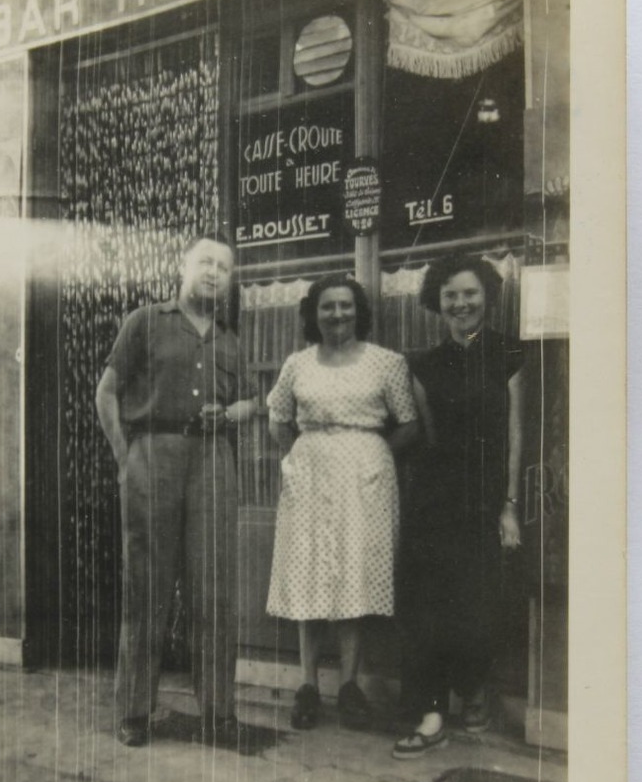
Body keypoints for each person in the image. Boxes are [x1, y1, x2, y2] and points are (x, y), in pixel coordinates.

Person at [95, 232, 256, 748]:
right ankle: (136, 711)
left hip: (214, 460)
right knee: (148, 589)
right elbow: (106, 394)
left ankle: (219, 714)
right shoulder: (145, 321)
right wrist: (126, 459)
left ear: (229, 281)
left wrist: (235, 411)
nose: (213, 273)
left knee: (215, 590)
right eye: (205, 262)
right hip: (153, 456)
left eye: (223, 268)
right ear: (183, 267)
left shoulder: (231, 339)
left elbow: (252, 402)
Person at [266, 273, 418, 731]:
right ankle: (308, 685)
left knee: (354, 573)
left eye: (346, 306)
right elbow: (278, 418)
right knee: (308, 573)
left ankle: (350, 685)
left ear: (359, 311)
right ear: (314, 313)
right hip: (309, 474)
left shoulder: (385, 363)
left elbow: (409, 423)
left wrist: (371, 457)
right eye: (328, 306)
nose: (337, 314)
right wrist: (297, 455)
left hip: (366, 478)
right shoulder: (298, 364)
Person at [393, 254, 524, 759]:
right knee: (424, 605)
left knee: (477, 604)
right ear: (437, 302)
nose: (460, 303)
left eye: (469, 293)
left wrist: (508, 506)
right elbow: (426, 438)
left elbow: (515, 436)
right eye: (450, 294)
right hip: (434, 499)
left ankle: (473, 691)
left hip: (485, 498)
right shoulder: (423, 365)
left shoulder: (508, 354)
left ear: (487, 297)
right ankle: (429, 714)